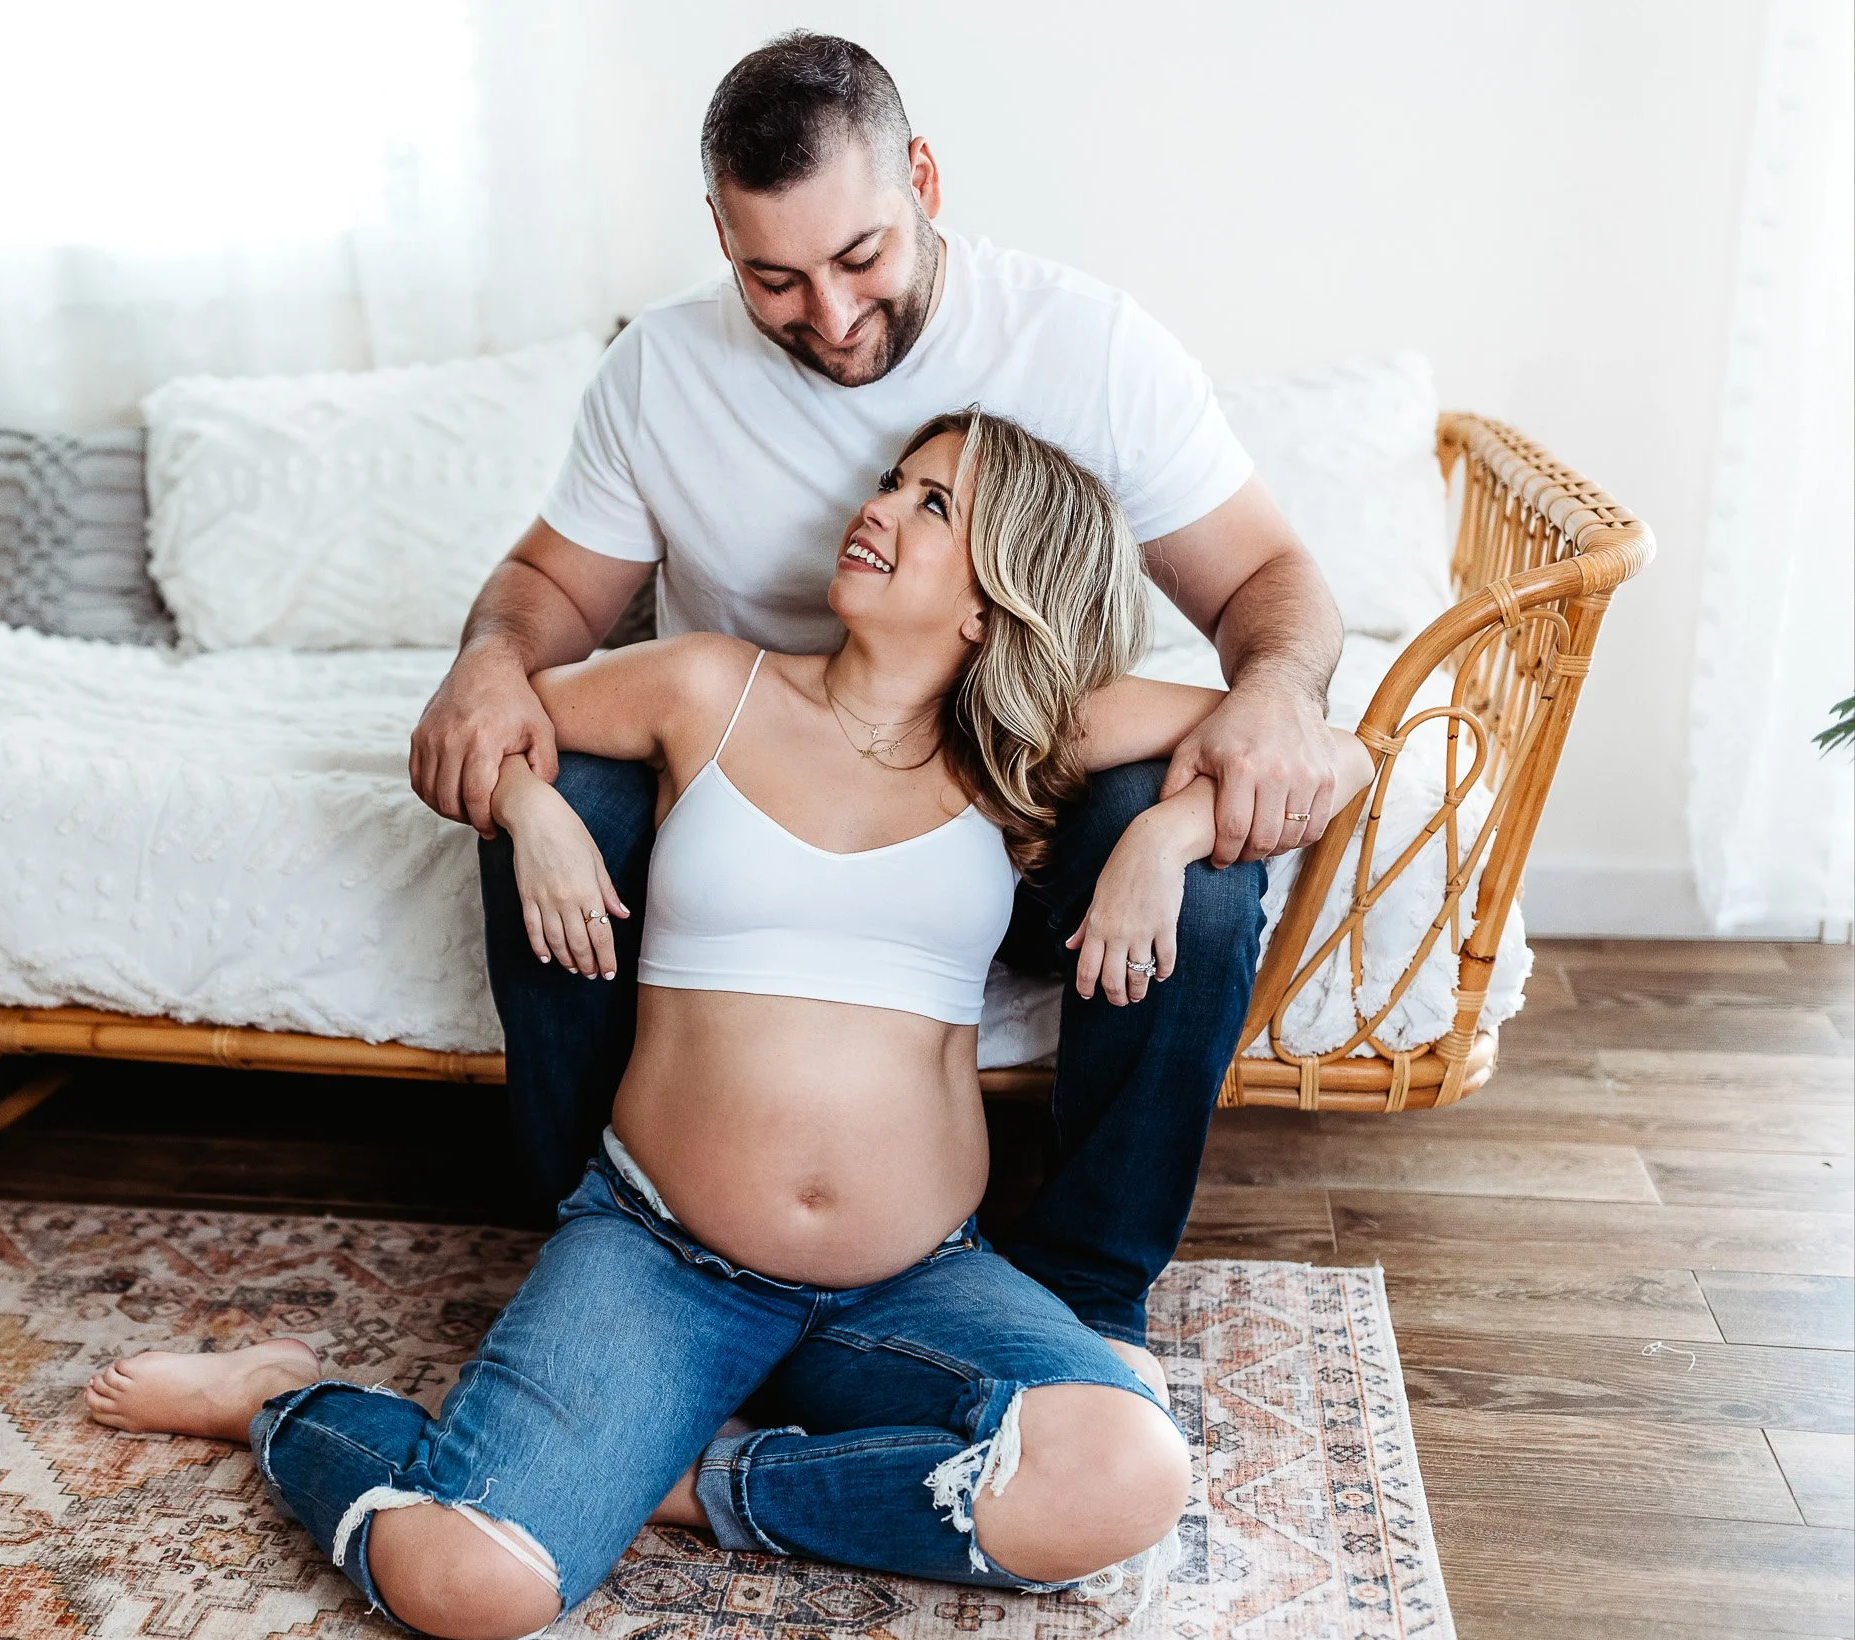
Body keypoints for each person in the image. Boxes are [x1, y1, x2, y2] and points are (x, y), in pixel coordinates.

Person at [87, 411, 1375, 1640]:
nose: (879, 511)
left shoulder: (1028, 743)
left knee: (1123, 1474)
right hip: (665, 1259)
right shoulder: (710, 685)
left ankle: (699, 1481)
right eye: (892, 483)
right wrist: (538, 819)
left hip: (913, 1279)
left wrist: (1162, 837)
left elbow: (1335, 756)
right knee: (465, 1582)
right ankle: (279, 1400)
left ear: (996, 593)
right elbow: (502, 726)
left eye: (935, 506)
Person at [407, 34, 1346, 1383]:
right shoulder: (664, 376)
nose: (832, 318)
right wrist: (491, 663)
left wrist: (1262, 708)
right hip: (749, 804)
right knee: (562, 797)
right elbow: (544, 591)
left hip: (1002, 815)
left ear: (923, 178)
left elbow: (1269, 582)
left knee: (1196, 866)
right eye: (773, 278)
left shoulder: (1086, 346)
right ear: (723, 239)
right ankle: (601, 1239)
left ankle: (1087, 1293)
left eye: (861, 260)